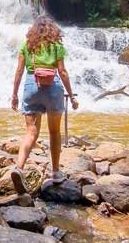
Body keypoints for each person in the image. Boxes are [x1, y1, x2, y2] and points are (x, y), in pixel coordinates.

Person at [10, 15, 78, 193]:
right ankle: (56, 173)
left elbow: (18, 72)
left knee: (31, 132)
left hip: (32, 87)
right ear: (52, 30)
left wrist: (14, 95)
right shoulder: (57, 46)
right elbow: (62, 72)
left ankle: (19, 168)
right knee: (54, 132)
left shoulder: (27, 46)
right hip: (52, 87)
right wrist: (71, 95)